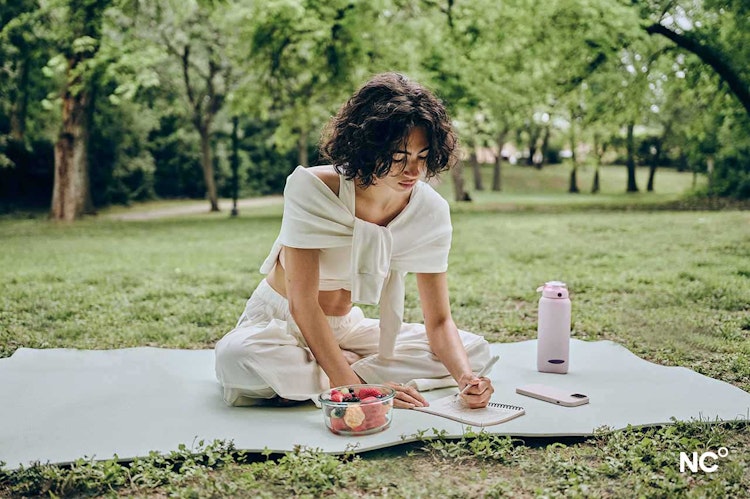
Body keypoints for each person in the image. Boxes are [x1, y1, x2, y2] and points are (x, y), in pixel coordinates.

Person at [215, 72, 494, 410]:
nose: (413, 171)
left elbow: (439, 322)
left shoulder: (429, 210)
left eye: (422, 156)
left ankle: (332, 373)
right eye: (399, 155)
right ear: (369, 145)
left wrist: (466, 379)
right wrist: (352, 390)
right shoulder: (312, 188)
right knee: (239, 359)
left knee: (474, 351)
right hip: (280, 321)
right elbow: (302, 303)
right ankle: (350, 377)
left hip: (349, 329)